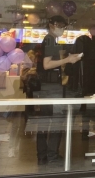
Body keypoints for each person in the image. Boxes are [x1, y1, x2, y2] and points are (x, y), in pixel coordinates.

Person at [34, 15, 81, 165]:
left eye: (63, 26)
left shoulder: (49, 40)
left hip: (46, 87)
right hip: (51, 88)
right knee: (55, 122)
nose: (62, 29)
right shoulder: (49, 40)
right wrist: (68, 60)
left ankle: (43, 156)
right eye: (60, 25)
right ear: (52, 25)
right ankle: (52, 155)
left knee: (45, 122)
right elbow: (47, 65)